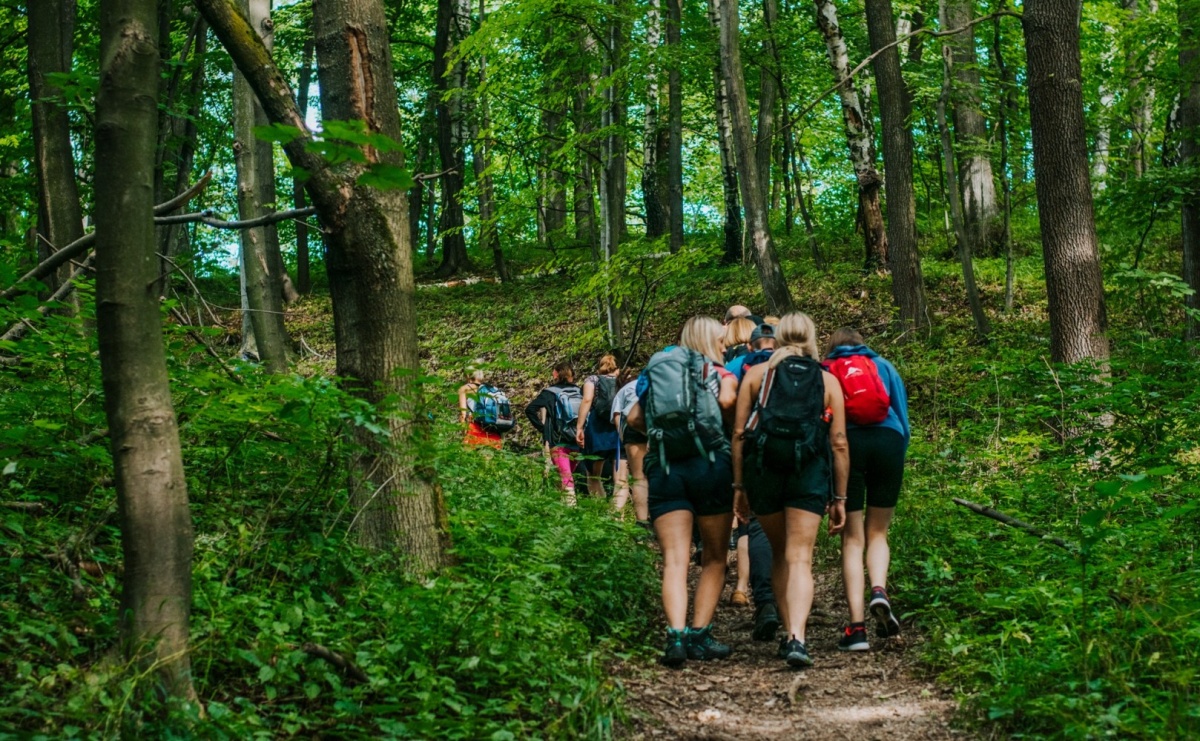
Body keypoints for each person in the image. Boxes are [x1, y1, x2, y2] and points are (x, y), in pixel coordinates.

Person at [732, 312, 848, 668]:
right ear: (812, 338)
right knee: (800, 557)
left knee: (781, 552)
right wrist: (840, 498)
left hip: (764, 471)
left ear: (778, 338)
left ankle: (787, 631)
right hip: (808, 473)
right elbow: (839, 442)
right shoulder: (827, 380)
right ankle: (797, 636)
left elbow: (739, 435)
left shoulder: (756, 375)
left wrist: (739, 487)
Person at [626, 316, 739, 668]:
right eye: (721, 341)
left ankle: (675, 636)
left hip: (665, 468)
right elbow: (728, 405)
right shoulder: (719, 373)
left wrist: (665, 432)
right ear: (709, 341)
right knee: (715, 556)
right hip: (711, 466)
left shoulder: (658, 372)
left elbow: (633, 419)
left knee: (675, 559)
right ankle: (699, 636)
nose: (725, 347)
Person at [825, 327, 910, 651]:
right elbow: (903, 419)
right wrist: (897, 456)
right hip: (889, 442)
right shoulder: (883, 365)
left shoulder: (827, 370)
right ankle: (878, 589)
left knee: (852, 538)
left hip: (849, 447)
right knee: (878, 533)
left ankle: (857, 629)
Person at [525, 362, 584, 504]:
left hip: (558, 441)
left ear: (555, 374)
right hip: (578, 440)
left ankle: (571, 510)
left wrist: (543, 428)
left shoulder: (550, 393)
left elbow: (530, 409)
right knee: (565, 476)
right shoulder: (580, 391)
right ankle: (560, 508)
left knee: (565, 477)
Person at [575, 355, 622, 499]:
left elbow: (587, 400)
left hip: (597, 427)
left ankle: (599, 506)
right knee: (620, 477)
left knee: (594, 475)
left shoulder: (593, 379)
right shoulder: (622, 381)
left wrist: (579, 427)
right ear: (617, 368)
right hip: (617, 425)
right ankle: (618, 510)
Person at [611, 367, 650, 524]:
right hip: (656, 424)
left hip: (633, 429)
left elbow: (617, 416)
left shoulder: (622, 391)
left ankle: (643, 522)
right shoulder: (651, 383)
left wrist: (623, 438)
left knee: (639, 477)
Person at [457, 364, 505, 450]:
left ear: (468, 375)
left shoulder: (464, 389)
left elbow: (463, 415)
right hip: (494, 433)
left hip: (475, 430)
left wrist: (464, 434)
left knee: (471, 457)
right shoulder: (493, 389)